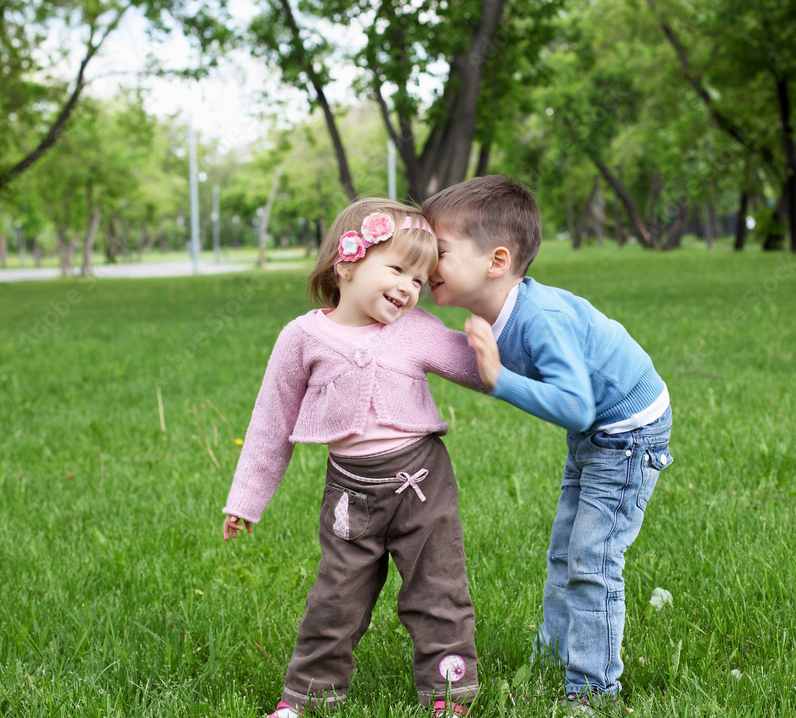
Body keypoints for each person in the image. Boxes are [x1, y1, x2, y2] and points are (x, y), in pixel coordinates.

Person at [222, 198, 486, 718]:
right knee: (336, 598)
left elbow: (477, 369)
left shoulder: (415, 328)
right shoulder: (303, 337)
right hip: (351, 492)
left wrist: (507, 350)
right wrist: (246, 500)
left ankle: (448, 694)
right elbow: (271, 422)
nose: (409, 288)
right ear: (346, 264)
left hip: (423, 483)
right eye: (397, 270)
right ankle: (307, 696)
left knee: (437, 588)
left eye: (419, 279)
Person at [423, 176, 674, 713]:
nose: (426, 264)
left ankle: (593, 690)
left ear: (496, 261)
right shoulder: (496, 312)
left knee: (592, 560)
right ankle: (554, 657)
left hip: (628, 434)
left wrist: (499, 380)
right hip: (596, 433)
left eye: (438, 251)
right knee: (564, 551)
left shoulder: (541, 319)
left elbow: (576, 406)